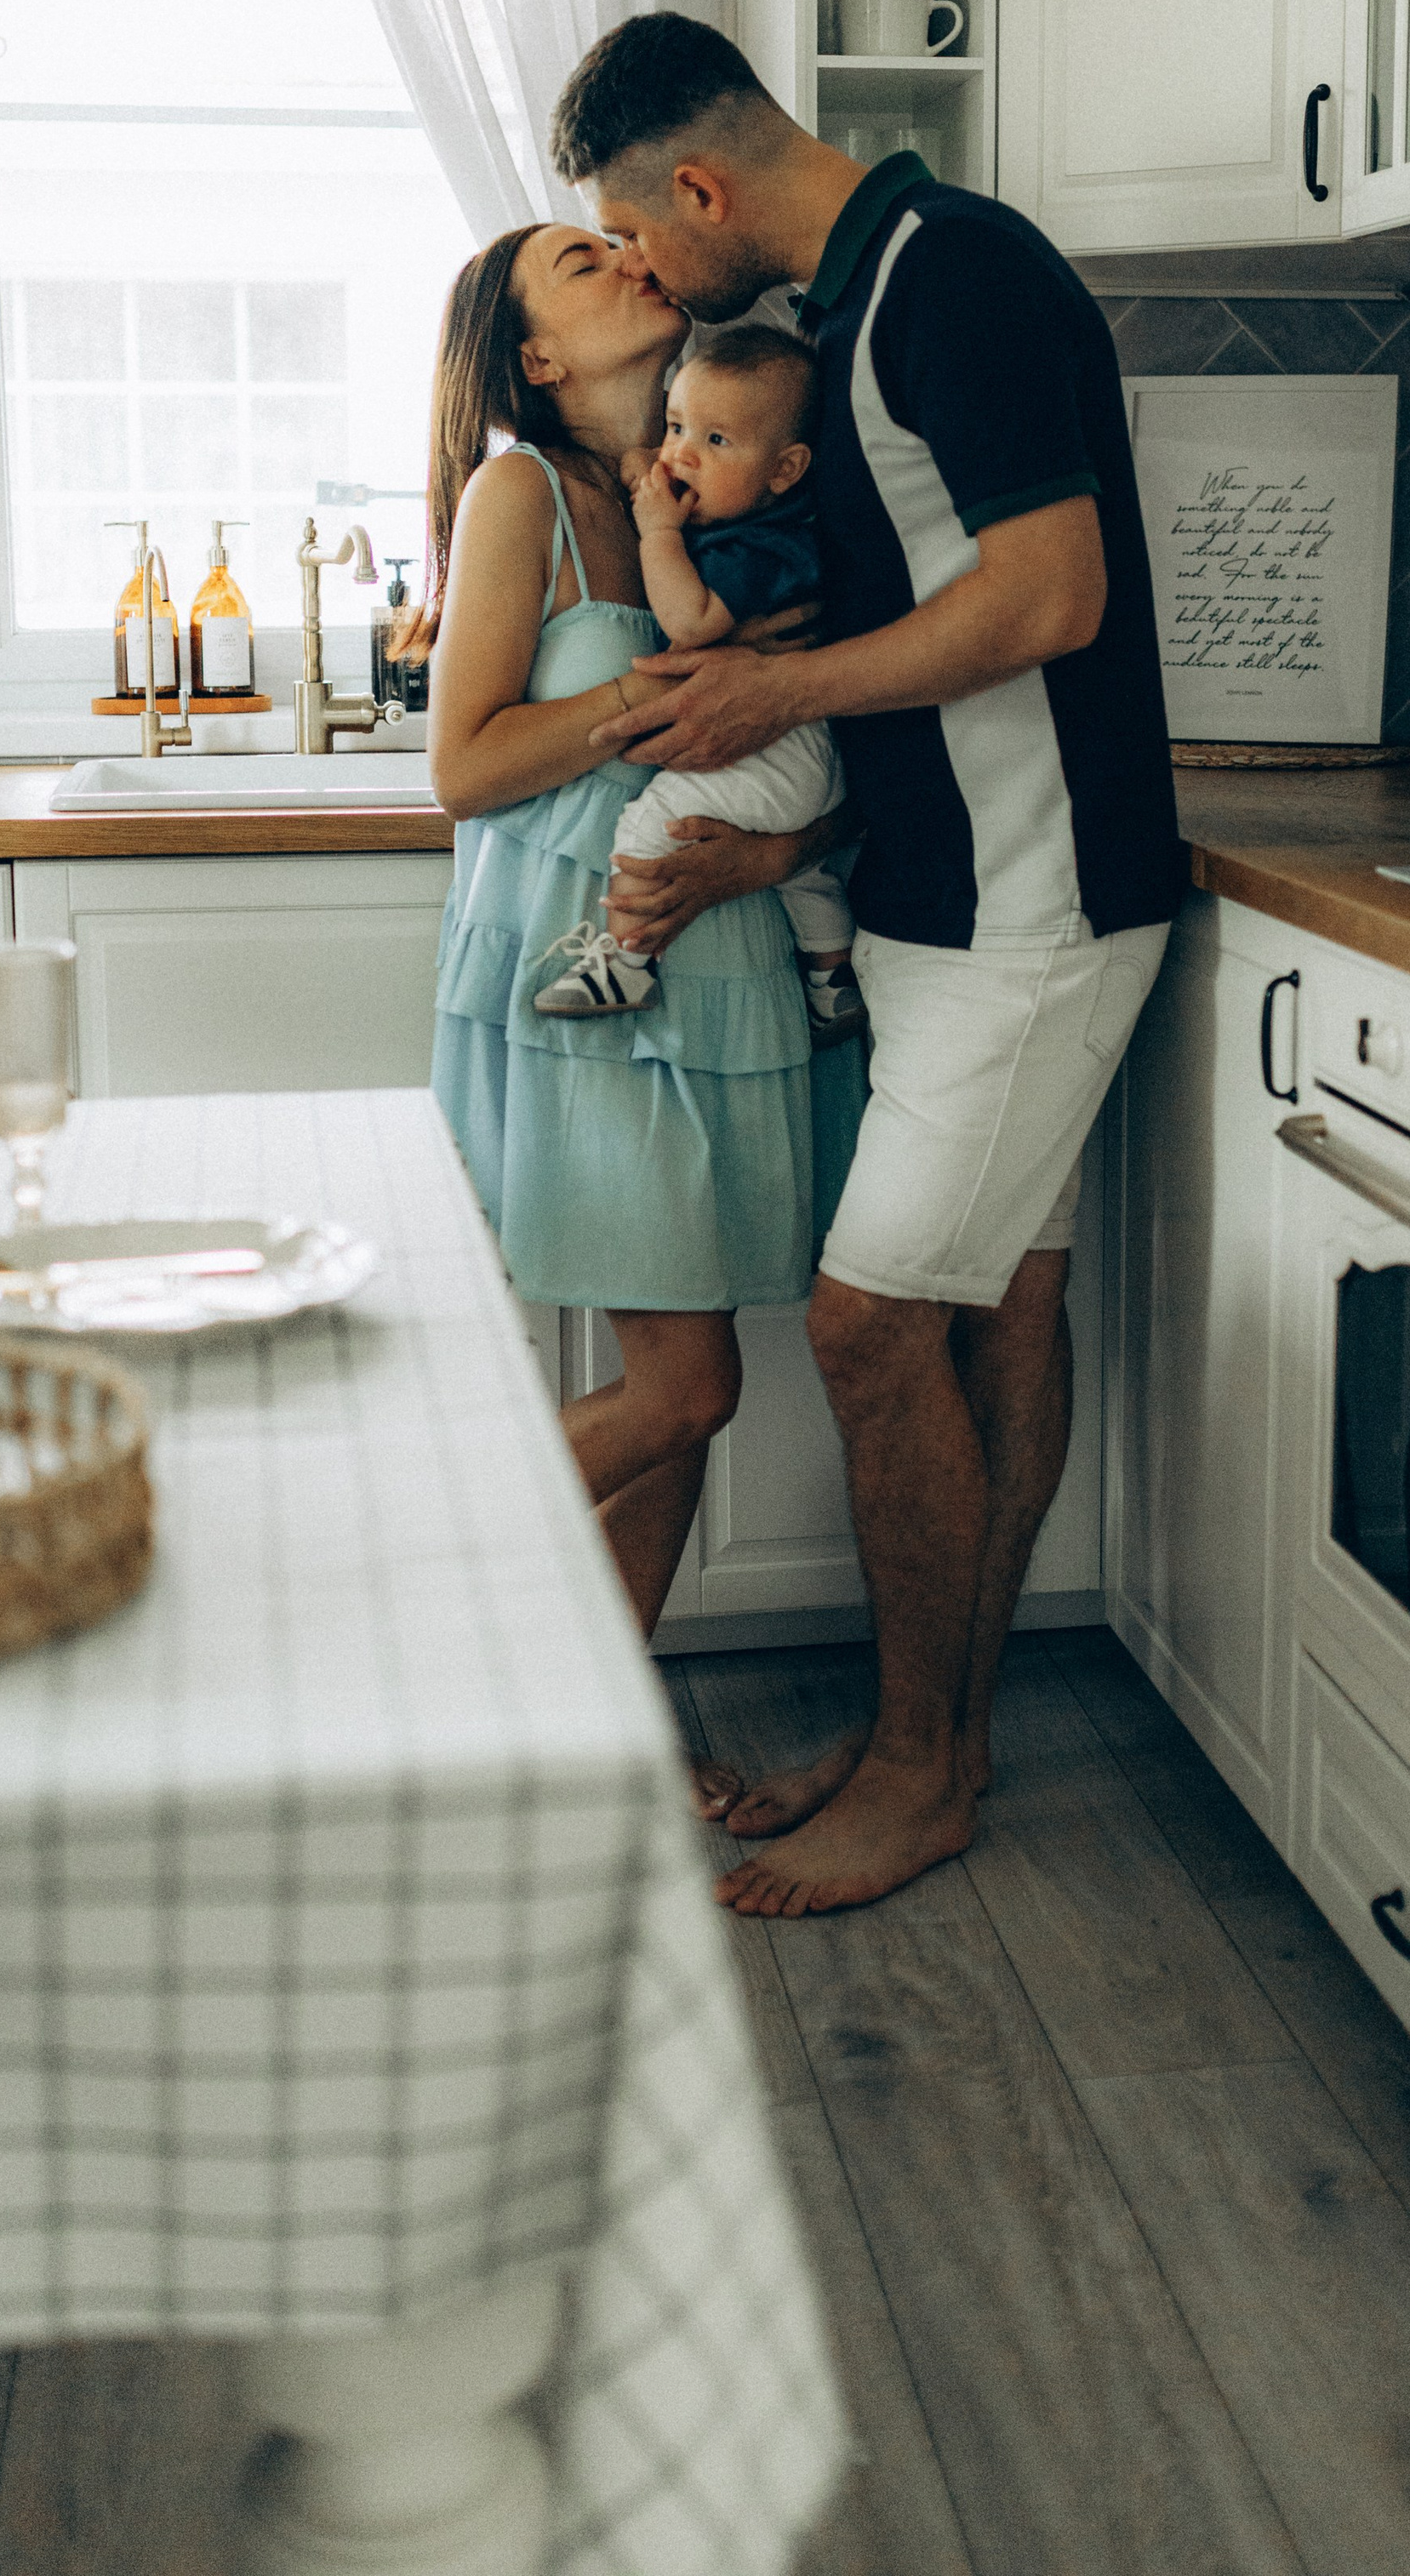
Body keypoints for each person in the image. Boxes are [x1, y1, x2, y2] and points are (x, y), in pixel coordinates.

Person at [550, 13, 1184, 1917]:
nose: (643, 273)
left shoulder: (956, 276)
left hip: (1034, 901)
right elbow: (907, 628)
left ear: (697, 185)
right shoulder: (843, 315)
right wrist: (783, 841)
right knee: (998, 1312)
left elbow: (1047, 597)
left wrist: (776, 695)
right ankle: (943, 1740)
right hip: (937, 892)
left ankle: (918, 1770)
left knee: (865, 1326)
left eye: (634, 235)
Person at [420, 220, 862, 1809]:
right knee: (690, 1386)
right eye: (579, 261)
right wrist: (659, 695)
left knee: (684, 1374)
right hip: (586, 990)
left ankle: (606, 1741)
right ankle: (399, 1551)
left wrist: (779, 844)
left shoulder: (725, 492)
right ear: (535, 355)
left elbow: (823, 745)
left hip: (718, 960)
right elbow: (464, 767)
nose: (624, 258)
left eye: (620, 241)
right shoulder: (522, 492)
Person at [532, 324, 863, 1035]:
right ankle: (833, 981)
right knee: (804, 873)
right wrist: (644, 465)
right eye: (676, 425)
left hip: (781, 752)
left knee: (649, 825)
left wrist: (657, 532)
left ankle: (626, 964)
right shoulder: (750, 515)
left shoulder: (760, 546)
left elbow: (689, 624)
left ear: (784, 470)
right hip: (812, 754)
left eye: (716, 440)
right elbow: (652, 465)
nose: (681, 453)